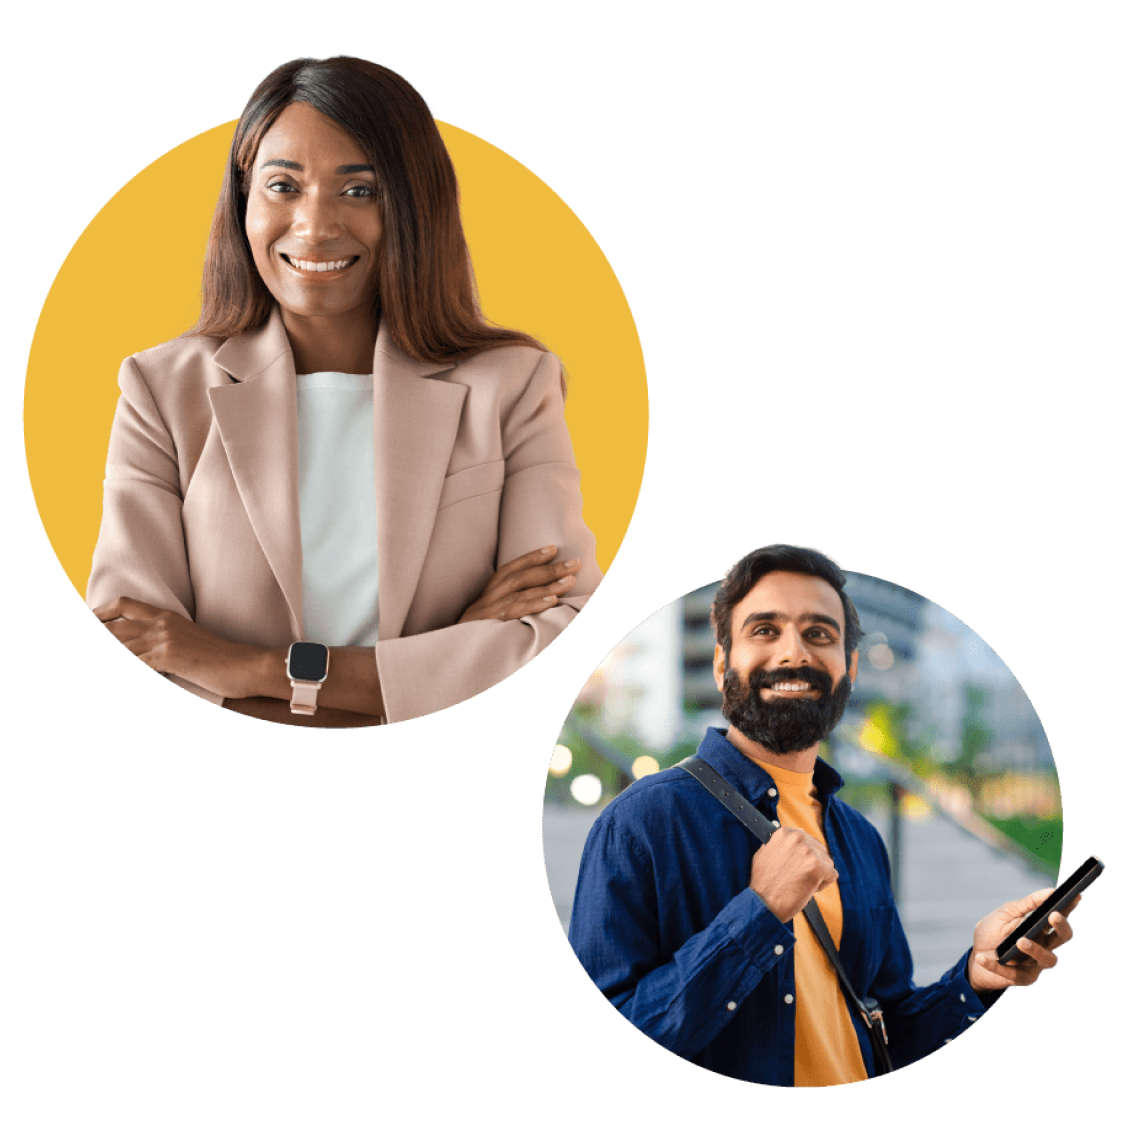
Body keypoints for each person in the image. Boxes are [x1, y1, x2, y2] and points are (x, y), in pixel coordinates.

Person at [85, 56, 601, 727]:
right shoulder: (160, 389)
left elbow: (556, 630)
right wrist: (430, 668)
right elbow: (137, 641)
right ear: (244, 198)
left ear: (415, 204)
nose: (315, 225)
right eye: (283, 186)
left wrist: (251, 668)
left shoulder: (512, 385)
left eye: (359, 190)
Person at [567, 545, 1078, 1085]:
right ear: (721, 664)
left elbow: (887, 1027)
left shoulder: (859, 837)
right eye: (764, 630)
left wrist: (975, 978)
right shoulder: (640, 824)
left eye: (819, 634)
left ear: (849, 668)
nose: (794, 653)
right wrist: (759, 913)